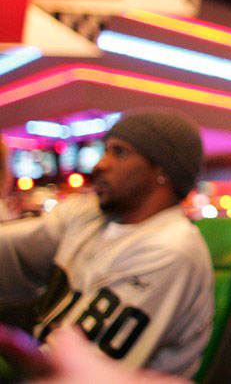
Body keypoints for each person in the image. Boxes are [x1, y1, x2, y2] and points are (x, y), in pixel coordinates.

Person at [0, 110, 214, 379]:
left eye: (119, 152)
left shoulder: (171, 248)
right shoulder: (91, 214)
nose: (100, 164)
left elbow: (73, 372)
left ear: (162, 171)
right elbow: (10, 252)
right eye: (105, 151)